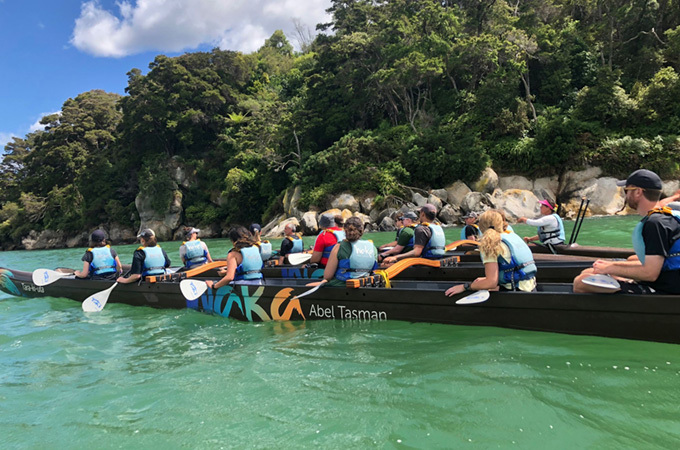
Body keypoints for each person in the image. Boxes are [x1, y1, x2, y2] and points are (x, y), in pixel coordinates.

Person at [574, 169, 680, 294]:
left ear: (638, 192)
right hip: (670, 278)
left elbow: (650, 273)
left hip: (668, 288)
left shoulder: (655, 223)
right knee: (593, 271)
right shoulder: (666, 215)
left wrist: (610, 267)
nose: (625, 195)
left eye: (627, 191)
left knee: (581, 282)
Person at [445, 209, 537, 296]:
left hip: (515, 290)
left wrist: (465, 287)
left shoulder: (489, 243)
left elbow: (491, 282)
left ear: (481, 227)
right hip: (531, 286)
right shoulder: (512, 236)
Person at [309, 216, 378, 287]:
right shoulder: (372, 248)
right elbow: (373, 271)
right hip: (364, 284)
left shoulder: (339, 247)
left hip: (342, 285)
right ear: (362, 231)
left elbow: (327, 276)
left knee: (307, 286)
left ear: (345, 230)